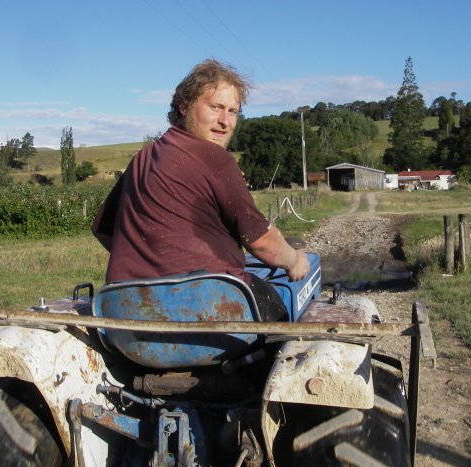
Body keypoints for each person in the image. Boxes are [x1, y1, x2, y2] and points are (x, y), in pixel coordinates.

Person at [92, 59, 309, 321]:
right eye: (215, 107)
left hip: (125, 313)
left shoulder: (143, 158)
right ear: (183, 106)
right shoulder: (216, 160)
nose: (225, 121)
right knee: (284, 307)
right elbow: (261, 242)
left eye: (233, 111)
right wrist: (294, 261)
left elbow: (103, 230)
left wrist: (151, 267)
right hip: (206, 312)